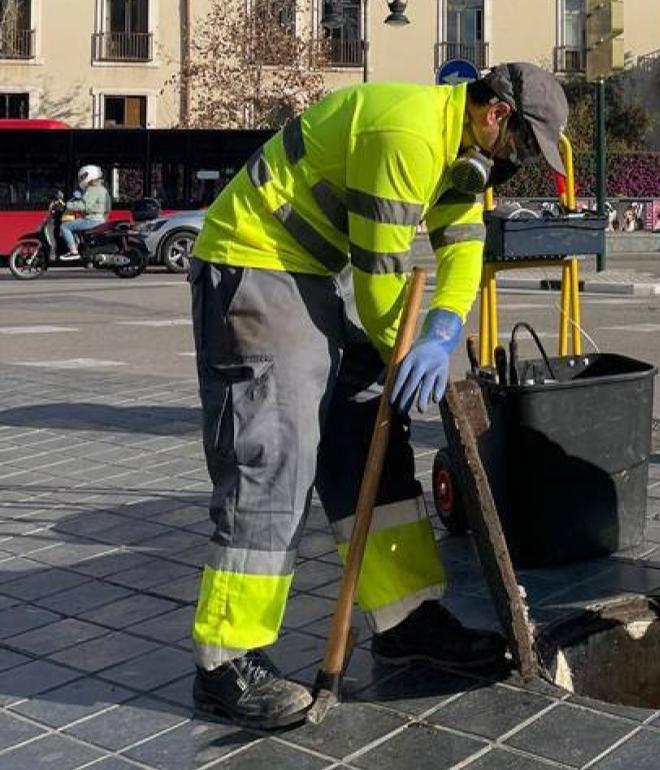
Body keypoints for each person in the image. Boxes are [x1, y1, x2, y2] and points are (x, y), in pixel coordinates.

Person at [187, 63, 569, 728]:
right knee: (276, 450)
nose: (517, 165)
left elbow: (463, 248)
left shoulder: (458, 151)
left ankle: (404, 617)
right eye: (521, 149)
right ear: (496, 114)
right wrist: (408, 350)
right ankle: (226, 661)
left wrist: (445, 328)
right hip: (255, 261)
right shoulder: (410, 134)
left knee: (369, 430)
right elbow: (381, 284)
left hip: (311, 269)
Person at [61, 164, 111, 256]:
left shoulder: (93, 189)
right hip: (101, 219)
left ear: (90, 175)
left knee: (65, 227)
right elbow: (107, 208)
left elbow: (83, 205)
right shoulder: (102, 189)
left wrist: (67, 206)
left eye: (83, 176)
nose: (82, 179)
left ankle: (73, 251)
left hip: (92, 220)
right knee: (76, 223)